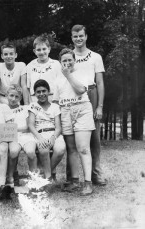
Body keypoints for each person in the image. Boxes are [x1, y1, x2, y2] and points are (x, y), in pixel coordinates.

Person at [53, 48, 95, 195]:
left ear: (74, 60)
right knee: (71, 148)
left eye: (70, 60)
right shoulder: (58, 78)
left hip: (82, 109)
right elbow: (56, 101)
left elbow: (81, 89)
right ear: (60, 62)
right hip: (65, 111)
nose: (67, 63)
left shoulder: (81, 73)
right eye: (64, 60)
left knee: (83, 148)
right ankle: (75, 181)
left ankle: (88, 183)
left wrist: (68, 75)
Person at [71, 24, 107, 186]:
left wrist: (99, 106)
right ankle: (71, 176)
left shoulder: (95, 57)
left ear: (86, 37)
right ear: (72, 38)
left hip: (90, 94)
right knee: (71, 138)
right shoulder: (67, 56)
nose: (78, 39)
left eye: (81, 36)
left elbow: (99, 82)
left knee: (94, 137)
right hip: (72, 96)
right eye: (75, 36)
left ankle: (96, 173)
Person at [27, 80, 66, 184]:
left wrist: (53, 137)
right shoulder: (33, 106)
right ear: (34, 94)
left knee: (60, 149)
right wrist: (40, 138)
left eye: (44, 91)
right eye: (38, 92)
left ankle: (43, 174)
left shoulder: (55, 107)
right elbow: (30, 124)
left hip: (54, 133)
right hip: (40, 133)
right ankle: (48, 177)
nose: (41, 94)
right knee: (43, 149)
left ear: (49, 92)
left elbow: (58, 127)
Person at [6, 85, 36, 189]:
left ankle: (34, 178)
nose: (13, 99)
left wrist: (13, 128)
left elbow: (27, 127)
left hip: (26, 136)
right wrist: (13, 130)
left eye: (16, 97)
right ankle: (10, 177)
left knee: (31, 152)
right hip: (13, 137)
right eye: (11, 96)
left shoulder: (24, 108)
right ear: (7, 96)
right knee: (13, 152)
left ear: (20, 98)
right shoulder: (3, 109)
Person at [24, 35, 61, 104]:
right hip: (35, 101)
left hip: (53, 100)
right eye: (38, 50)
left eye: (44, 49)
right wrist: (27, 105)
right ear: (34, 51)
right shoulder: (29, 66)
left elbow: (61, 85)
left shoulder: (56, 64)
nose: (41, 52)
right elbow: (28, 88)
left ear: (49, 49)